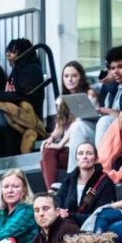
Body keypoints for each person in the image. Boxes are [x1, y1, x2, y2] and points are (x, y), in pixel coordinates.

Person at [41, 61, 98, 189]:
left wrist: (60, 144)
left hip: (85, 142)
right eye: (66, 76)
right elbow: (59, 128)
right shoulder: (62, 99)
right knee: (47, 151)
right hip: (68, 146)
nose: (70, 79)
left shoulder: (89, 94)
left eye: (74, 76)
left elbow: (80, 121)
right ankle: (51, 191)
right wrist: (50, 139)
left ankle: (71, 182)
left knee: (78, 123)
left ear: (81, 77)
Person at [55, 141, 116, 228]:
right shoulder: (69, 179)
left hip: (93, 229)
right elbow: (58, 199)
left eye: (89, 153)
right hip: (67, 227)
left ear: (96, 159)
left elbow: (101, 215)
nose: (84, 157)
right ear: (76, 158)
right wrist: (59, 211)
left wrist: (70, 216)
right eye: (80, 153)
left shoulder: (104, 182)